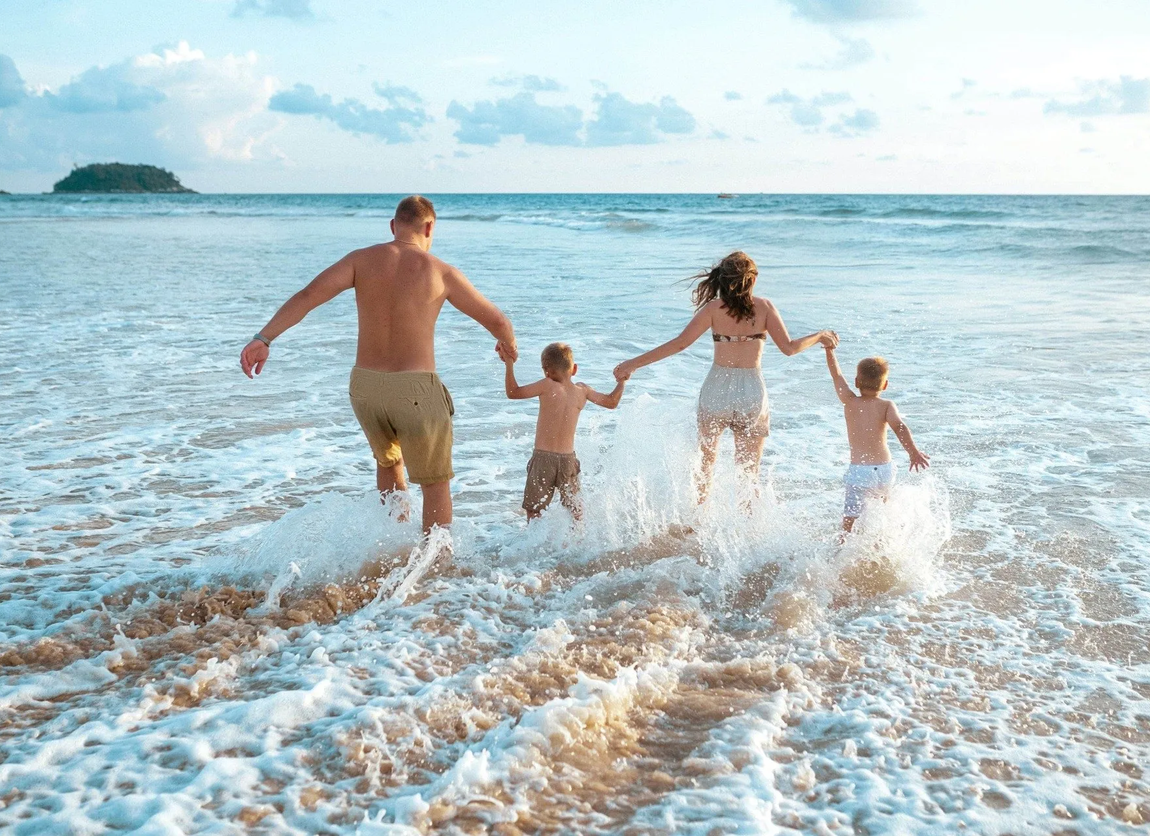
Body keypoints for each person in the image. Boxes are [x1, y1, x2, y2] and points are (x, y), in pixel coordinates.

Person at [239, 195, 518, 534]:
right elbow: (498, 320)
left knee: (388, 462)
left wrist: (263, 339)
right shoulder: (441, 272)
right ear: (429, 227)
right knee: (435, 482)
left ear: (393, 226)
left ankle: (392, 540)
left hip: (366, 388)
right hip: (415, 389)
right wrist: (509, 346)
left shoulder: (360, 260)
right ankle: (436, 566)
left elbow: (308, 296)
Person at [613, 251, 837, 502]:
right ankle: (746, 531)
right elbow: (790, 348)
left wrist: (632, 364)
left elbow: (679, 344)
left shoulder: (713, 309)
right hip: (751, 390)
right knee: (748, 472)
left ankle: (698, 523)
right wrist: (820, 335)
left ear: (723, 280)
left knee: (705, 466)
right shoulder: (764, 307)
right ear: (751, 280)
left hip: (716, 389)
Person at [501, 342, 627, 520]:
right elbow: (611, 402)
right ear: (574, 369)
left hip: (543, 459)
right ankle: (577, 542)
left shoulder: (546, 385)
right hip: (568, 460)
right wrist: (621, 382)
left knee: (534, 509)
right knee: (575, 509)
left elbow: (513, 392)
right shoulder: (582, 391)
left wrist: (508, 363)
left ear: (546, 371)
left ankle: (536, 545)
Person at [823, 346, 930, 532]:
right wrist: (913, 452)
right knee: (881, 514)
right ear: (885, 385)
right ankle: (880, 548)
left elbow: (836, 375)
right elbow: (900, 427)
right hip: (884, 469)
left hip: (860, 471)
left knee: (850, 521)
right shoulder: (887, 405)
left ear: (856, 382)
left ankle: (840, 553)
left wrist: (829, 350)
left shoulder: (850, 401)